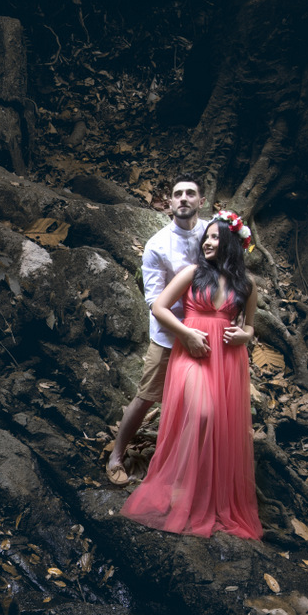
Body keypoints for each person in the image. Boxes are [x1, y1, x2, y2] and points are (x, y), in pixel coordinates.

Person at [120, 210, 262, 540]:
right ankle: (178, 486)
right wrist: (186, 333)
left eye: (215, 237)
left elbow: (251, 325)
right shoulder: (193, 273)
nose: (208, 241)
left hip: (227, 361)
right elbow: (159, 307)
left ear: (231, 243)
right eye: (207, 236)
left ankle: (204, 493)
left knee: (220, 424)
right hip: (193, 353)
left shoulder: (246, 285)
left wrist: (246, 335)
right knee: (203, 413)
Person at [107, 175, 207, 484]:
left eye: (191, 193)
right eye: (178, 194)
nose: (184, 198)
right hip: (168, 335)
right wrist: (185, 333)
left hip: (207, 332)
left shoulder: (213, 233)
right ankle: (116, 455)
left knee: (205, 402)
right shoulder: (158, 245)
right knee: (147, 396)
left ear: (201, 201)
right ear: (169, 203)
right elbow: (154, 301)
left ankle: (198, 465)